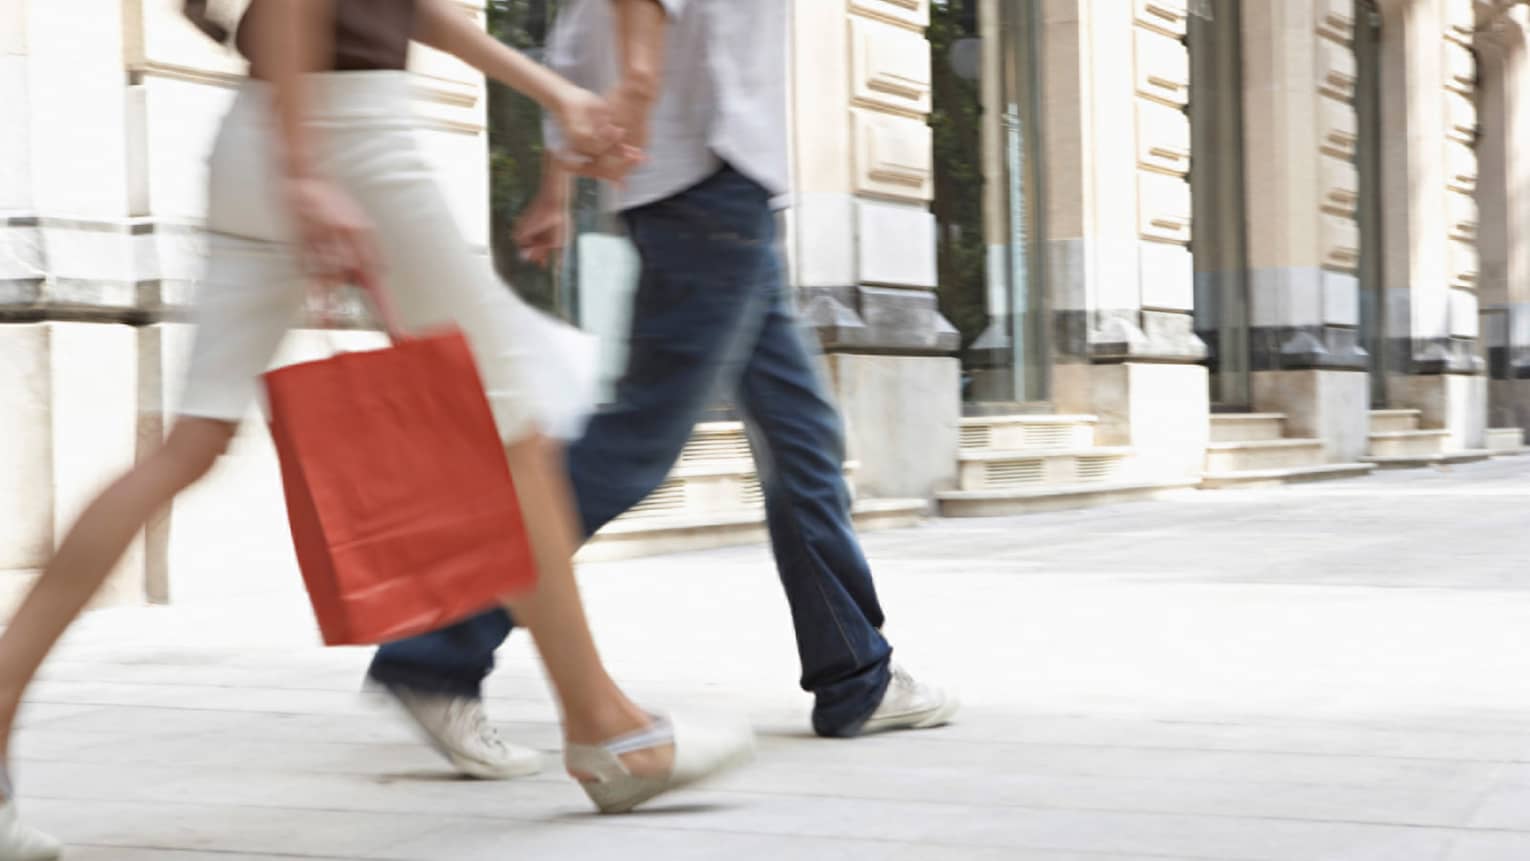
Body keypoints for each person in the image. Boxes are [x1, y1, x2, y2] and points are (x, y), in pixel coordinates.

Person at [0, 1, 755, 856]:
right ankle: (610, 733)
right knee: (513, 435)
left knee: (191, 445)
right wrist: (306, 167)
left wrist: (547, 87)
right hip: (344, 136)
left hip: (264, 134)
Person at [366, 0, 960, 780]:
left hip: (708, 188)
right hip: (710, 182)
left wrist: (555, 185)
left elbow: (578, 41)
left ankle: (855, 673)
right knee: (637, 441)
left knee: (802, 432)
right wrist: (640, 94)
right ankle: (436, 651)